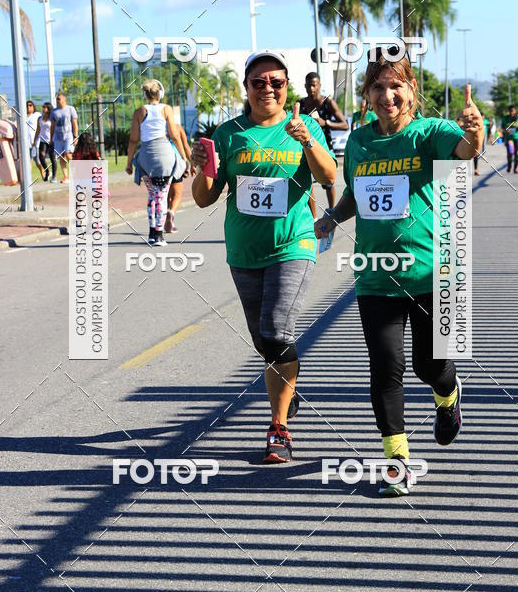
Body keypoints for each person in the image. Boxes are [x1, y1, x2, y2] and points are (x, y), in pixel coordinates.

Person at [315, 48, 483, 496]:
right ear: (366, 94)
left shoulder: (431, 132)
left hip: (432, 273)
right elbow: (355, 193)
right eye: (377, 87)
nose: (387, 95)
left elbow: (464, 153)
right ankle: (398, 460)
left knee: (431, 367)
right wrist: (333, 217)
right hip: (375, 274)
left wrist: (474, 133)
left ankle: (448, 395)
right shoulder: (359, 139)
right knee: (386, 368)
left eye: (396, 86)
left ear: (411, 89)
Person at [191, 50, 336, 463]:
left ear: (286, 87)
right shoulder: (228, 134)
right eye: (259, 82)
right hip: (244, 251)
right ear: (247, 88)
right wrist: (196, 167)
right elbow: (204, 200)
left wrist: (307, 140)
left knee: (275, 331)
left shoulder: (305, 125)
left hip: (294, 244)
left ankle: (279, 428)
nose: (268, 88)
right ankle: (288, 389)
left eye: (276, 82)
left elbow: (328, 177)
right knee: (265, 342)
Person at [125, 79, 188, 246]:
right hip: (164, 154)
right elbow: (174, 135)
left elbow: (133, 140)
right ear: (160, 93)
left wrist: (129, 162)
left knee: (152, 195)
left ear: (144, 94)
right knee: (163, 194)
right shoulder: (166, 109)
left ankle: (152, 231)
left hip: (146, 155)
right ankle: (159, 234)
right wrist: (183, 157)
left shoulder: (139, 112)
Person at [300, 71, 348, 212]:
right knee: (307, 183)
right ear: (305, 86)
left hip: (325, 146)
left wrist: (325, 122)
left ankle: (331, 212)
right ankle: (314, 217)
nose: (311, 89)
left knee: (328, 183)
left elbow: (344, 124)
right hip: (305, 147)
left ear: (319, 85)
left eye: (314, 85)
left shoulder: (327, 103)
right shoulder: (301, 104)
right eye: (309, 86)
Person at [165, 123, 195, 234]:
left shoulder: (157, 127)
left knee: (166, 193)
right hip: (176, 161)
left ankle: (167, 213)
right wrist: (192, 163)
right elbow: (186, 146)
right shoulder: (177, 127)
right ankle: (171, 213)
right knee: (177, 194)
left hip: (160, 161)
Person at [50, 91, 78, 184]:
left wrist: (75, 136)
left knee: (68, 154)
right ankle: (66, 176)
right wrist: (51, 138)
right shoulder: (54, 111)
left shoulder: (70, 109)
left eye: (59, 98)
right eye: (57, 99)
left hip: (68, 136)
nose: (57, 100)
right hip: (58, 138)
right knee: (61, 156)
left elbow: (74, 123)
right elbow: (52, 126)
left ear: (64, 99)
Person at [500, 104, 518, 174]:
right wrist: (505, 130)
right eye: (510, 111)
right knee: (510, 153)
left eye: (513, 111)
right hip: (508, 138)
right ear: (509, 111)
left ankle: (515, 168)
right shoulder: (505, 118)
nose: (511, 112)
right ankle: (509, 165)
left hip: (516, 137)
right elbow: (502, 127)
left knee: (517, 153)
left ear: (515, 111)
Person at [35, 102, 57, 182]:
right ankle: (47, 171)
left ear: (48, 108)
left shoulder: (52, 119)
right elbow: (38, 130)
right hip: (42, 140)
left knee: (52, 158)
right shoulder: (39, 118)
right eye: (43, 106)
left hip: (52, 140)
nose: (43, 108)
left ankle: (54, 177)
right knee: (41, 156)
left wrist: (52, 139)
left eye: (44, 107)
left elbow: (53, 129)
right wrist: (35, 140)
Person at [25, 100, 43, 179]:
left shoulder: (37, 115)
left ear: (33, 106)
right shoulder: (23, 116)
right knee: (28, 161)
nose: (28, 107)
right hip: (26, 143)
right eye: (27, 106)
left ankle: (43, 172)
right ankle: (28, 178)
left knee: (37, 161)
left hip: (35, 142)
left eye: (30, 105)